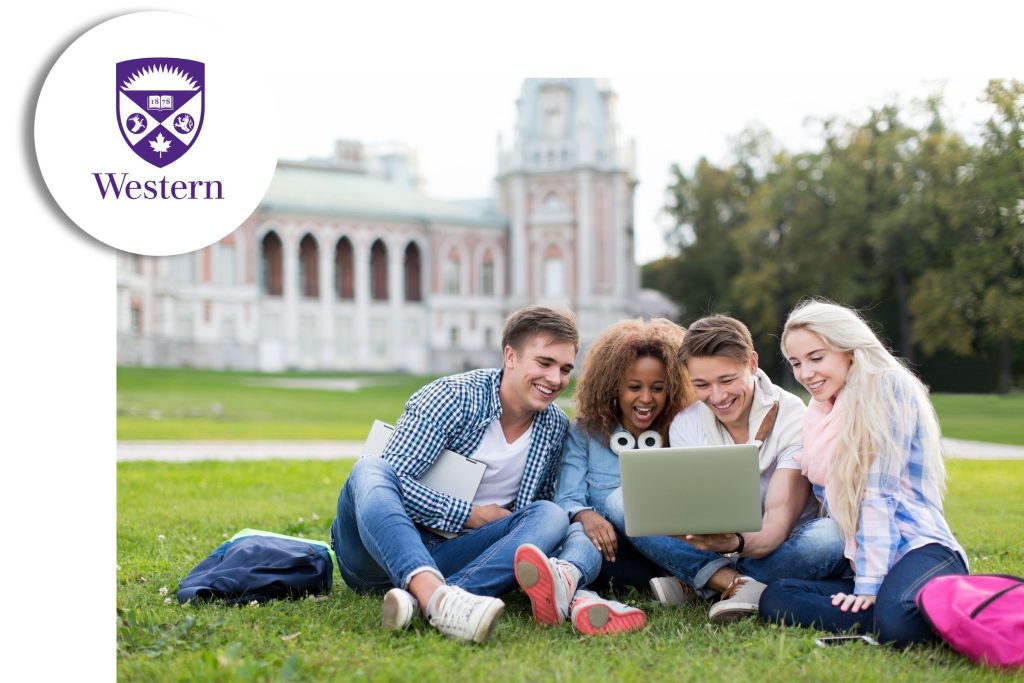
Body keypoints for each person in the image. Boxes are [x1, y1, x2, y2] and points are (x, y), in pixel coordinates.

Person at [330, 305, 579, 644]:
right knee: (370, 469)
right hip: (379, 553)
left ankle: (437, 600)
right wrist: (471, 515)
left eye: (565, 369)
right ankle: (436, 594)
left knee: (550, 515)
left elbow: (536, 514)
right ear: (510, 356)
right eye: (545, 363)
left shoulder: (554, 426)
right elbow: (394, 481)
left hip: (457, 556)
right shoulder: (452, 397)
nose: (555, 379)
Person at [604, 314, 849, 623]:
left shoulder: (793, 418)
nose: (717, 397)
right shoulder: (687, 424)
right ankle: (730, 584)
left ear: (751, 363)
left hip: (781, 547)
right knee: (620, 500)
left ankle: (697, 583)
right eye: (702, 385)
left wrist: (735, 542)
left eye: (727, 380)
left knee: (830, 537)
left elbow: (776, 527)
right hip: (714, 549)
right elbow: (689, 512)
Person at [759, 299, 968, 646]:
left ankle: (903, 608)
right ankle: (898, 610)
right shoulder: (821, 409)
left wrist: (869, 585)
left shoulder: (886, 388)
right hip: (861, 558)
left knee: (898, 628)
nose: (805, 373)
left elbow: (876, 494)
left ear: (849, 351)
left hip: (916, 547)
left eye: (816, 357)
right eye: (796, 363)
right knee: (777, 597)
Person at [512, 318, 693, 635]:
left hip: (663, 554)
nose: (646, 398)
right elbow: (567, 497)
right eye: (634, 387)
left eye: (658, 388)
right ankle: (580, 597)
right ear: (614, 386)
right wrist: (585, 515)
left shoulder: (683, 431)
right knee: (580, 533)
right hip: (605, 554)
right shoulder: (584, 434)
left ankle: (575, 592)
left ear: (673, 388)